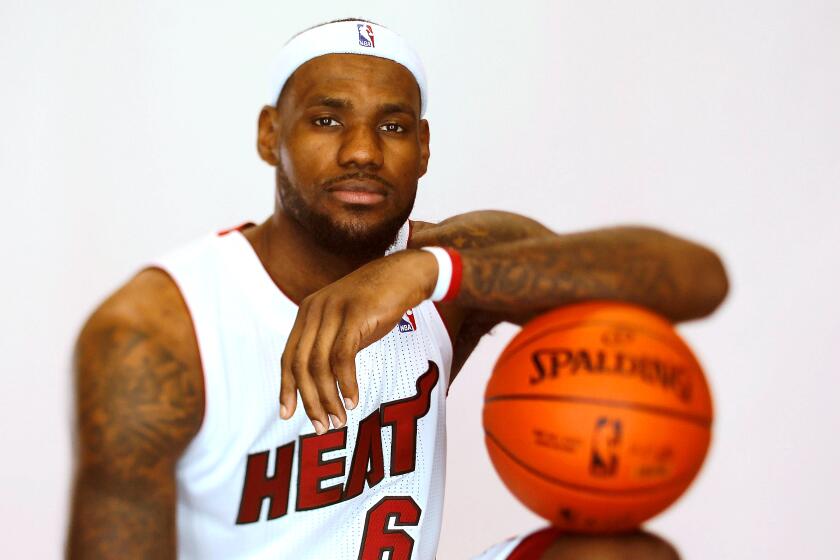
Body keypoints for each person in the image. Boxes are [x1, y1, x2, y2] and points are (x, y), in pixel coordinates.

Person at [67, 18, 727, 560]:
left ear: (424, 146)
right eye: (327, 120)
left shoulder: (445, 266)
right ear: (271, 136)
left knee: (627, 558)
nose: (363, 151)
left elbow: (696, 278)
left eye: (393, 126)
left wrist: (427, 271)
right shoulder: (161, 330)